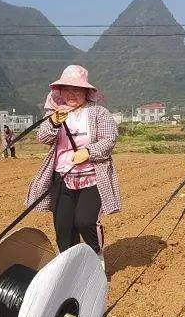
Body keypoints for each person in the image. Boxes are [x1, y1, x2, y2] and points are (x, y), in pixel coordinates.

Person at [26, 65, 120, 255]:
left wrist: (88, 151)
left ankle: (95, 253)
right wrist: (53, 122)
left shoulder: (98, 112)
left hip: (92, 177)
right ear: (59, 92)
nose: (71, 94)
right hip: (62, 177)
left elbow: (109, 140)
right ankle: (70, 267)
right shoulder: (56, 113)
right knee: (64, 228)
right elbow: (43, 137)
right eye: (67, 89)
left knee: (85, 221)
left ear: (86, 91)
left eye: (76, 89)